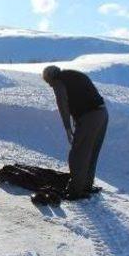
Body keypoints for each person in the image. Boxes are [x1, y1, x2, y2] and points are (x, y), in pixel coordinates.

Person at [42, 65, 109, 199]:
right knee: (91, 152)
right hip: (102, 113)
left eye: (49, 83)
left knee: (78, 153)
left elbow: (63, 105)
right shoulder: (73, 74)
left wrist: (68, 128)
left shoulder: (58, 81)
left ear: (51, 78)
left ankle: (74, 191)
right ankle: (86, 186)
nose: (51, 86)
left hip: (90, 117)